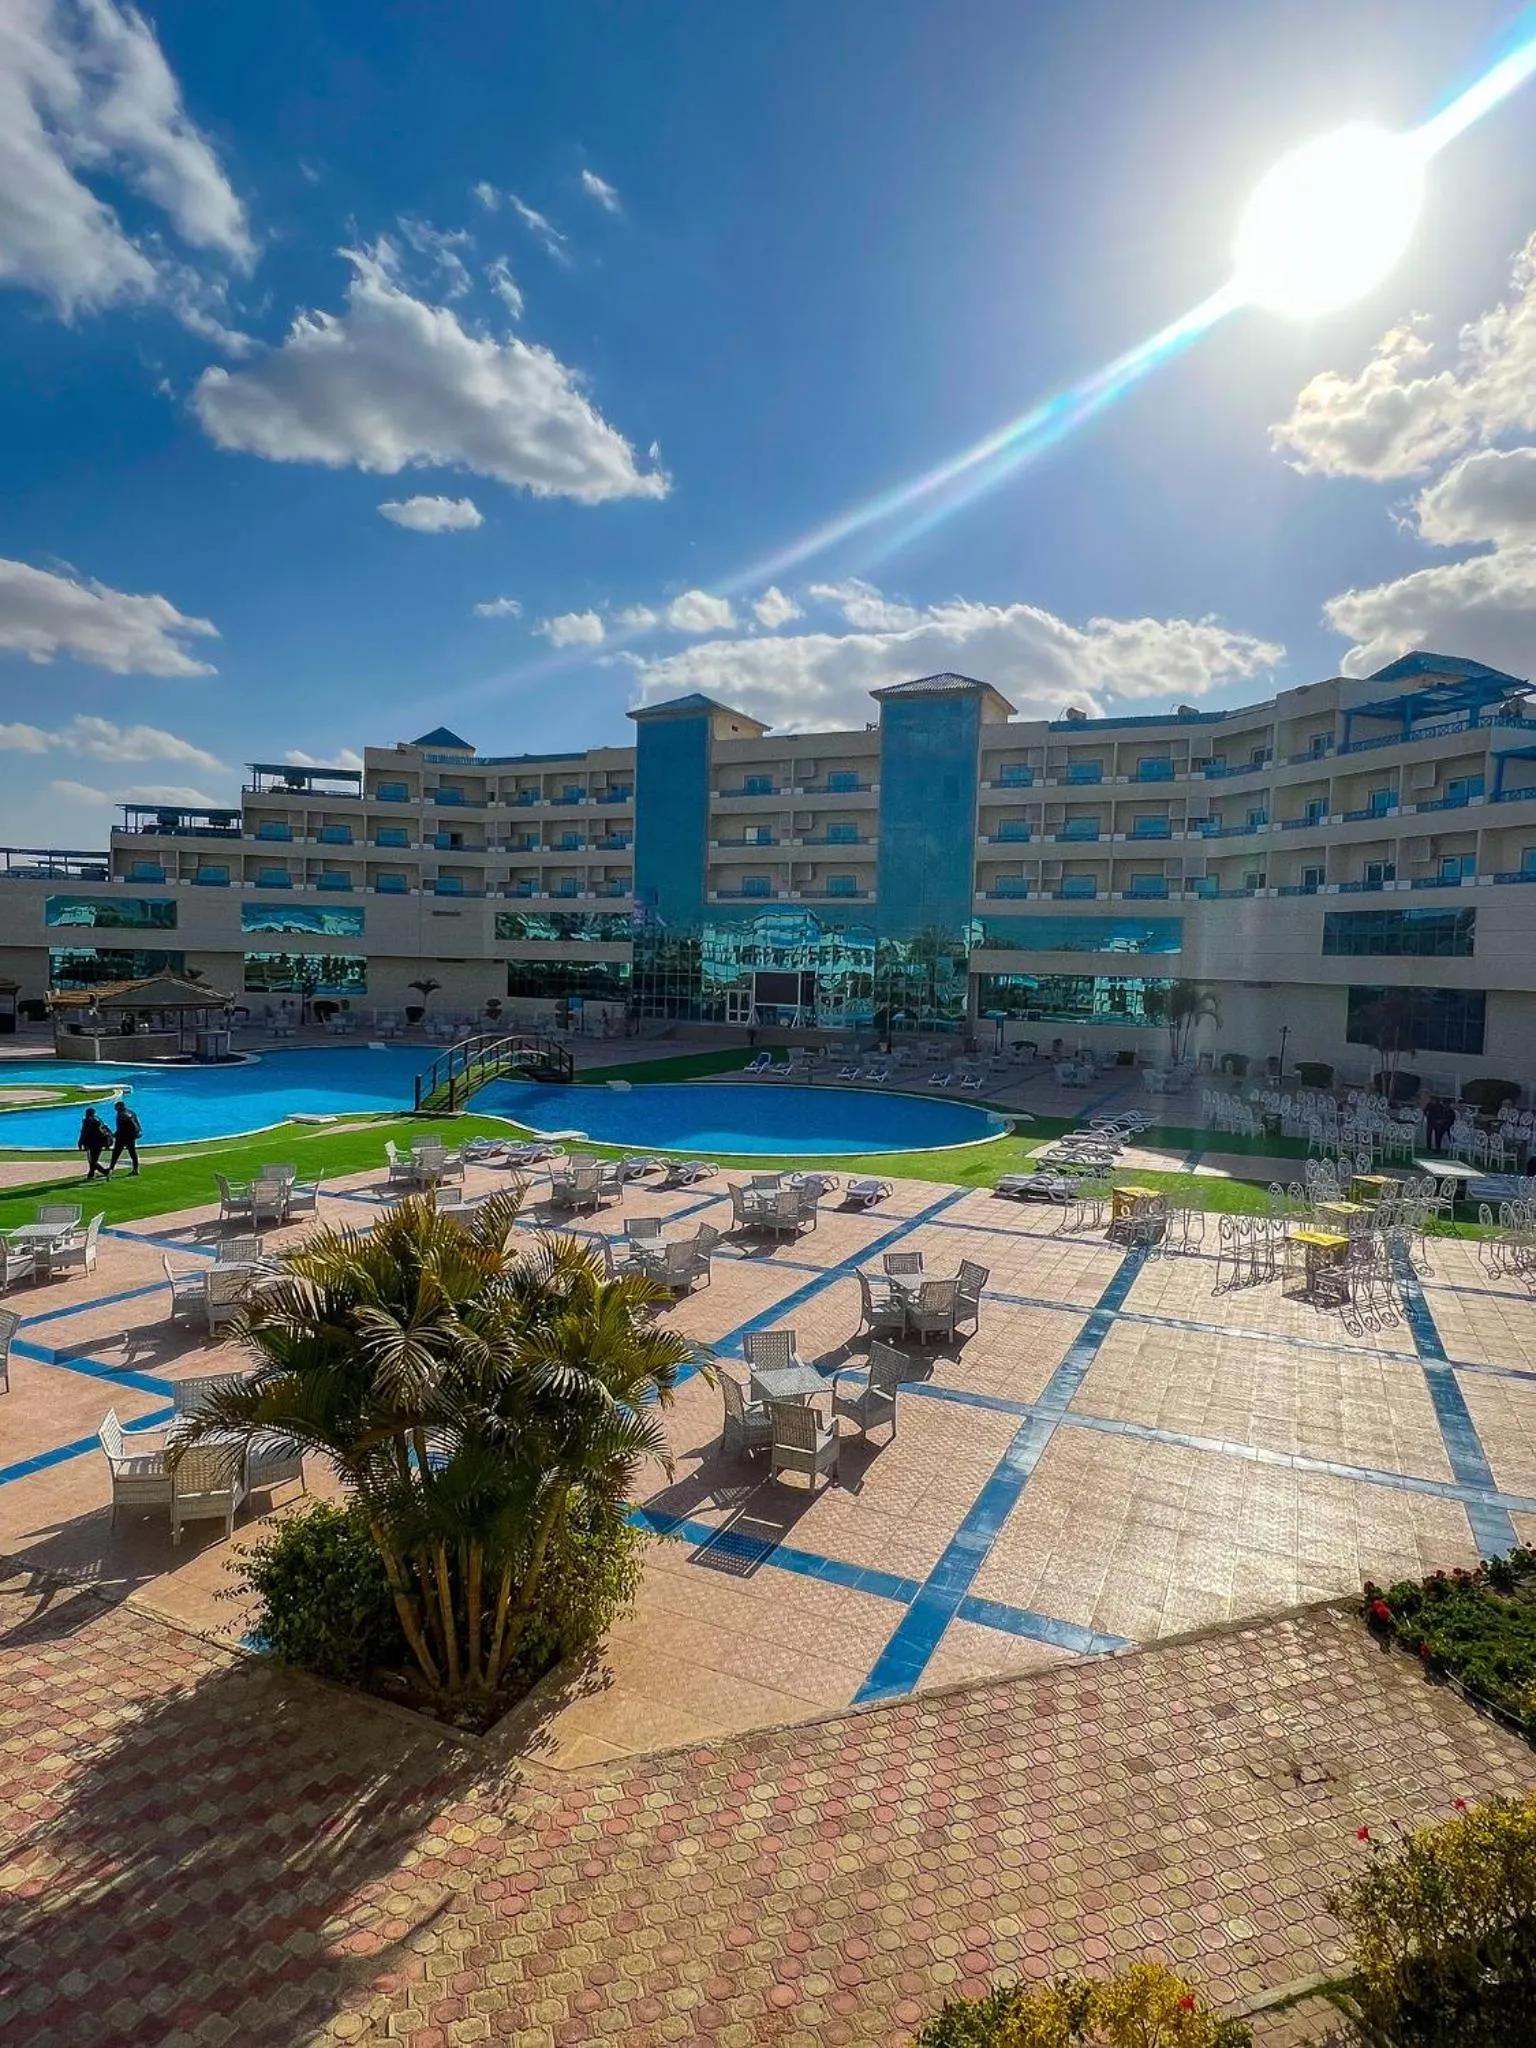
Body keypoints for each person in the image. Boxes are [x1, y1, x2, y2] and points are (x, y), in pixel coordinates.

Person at [109, 1096, 142, 1176]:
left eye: (116, 1107)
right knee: (133, 1153)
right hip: (131, 1137)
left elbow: (121, 1128)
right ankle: (136, 1169)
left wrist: (115, 1134)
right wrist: (138, 1132)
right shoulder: (132, 1112)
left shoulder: (120, 1115)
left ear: (118, 1107)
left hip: (122, 1138)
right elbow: (137, 1123)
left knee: (116, 1154)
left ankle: (110, 1169)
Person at [77, 1106, 111, 1180]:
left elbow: (84, 1133)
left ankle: (105, 1172)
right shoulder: (98, 1120)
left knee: (92, 1161)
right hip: (100, 1143)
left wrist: (80, 1142)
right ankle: (91, 1175)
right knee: (94, 1160)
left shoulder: (87, 1121)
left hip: (91, 1143)